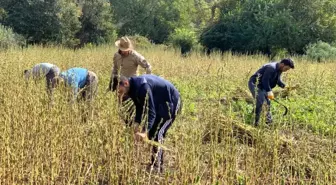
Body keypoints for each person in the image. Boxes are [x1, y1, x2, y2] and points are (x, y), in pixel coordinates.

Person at [113, 74, 182, 173]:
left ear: (125, 83)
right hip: (159, 103)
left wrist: (144, 132)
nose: (119, 95)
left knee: (157, 133)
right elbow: (139, 106)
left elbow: (151, 112)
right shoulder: (131, 88)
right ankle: (154, 163)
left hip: (171, 102)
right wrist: (137, 123)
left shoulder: (143, 87)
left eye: (120, 91)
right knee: (153, 131)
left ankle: (158, 166)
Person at [248, 58, 294, 126]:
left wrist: (285, 86)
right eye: (286, 68)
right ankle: (256, 122)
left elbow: (277, 80)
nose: (286, 71)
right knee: (260, 101)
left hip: (263, 86)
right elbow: (265, 80)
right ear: (282, 64)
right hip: (255, 84)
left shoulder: (279, 69)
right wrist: (269, 91)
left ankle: (268, 122)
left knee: (268, 103)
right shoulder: (271, 68)